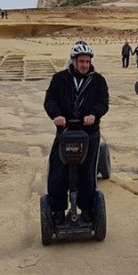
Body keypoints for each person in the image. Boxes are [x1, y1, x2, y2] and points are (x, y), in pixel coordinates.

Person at [44, 42, 109, 224]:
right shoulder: (59, 79)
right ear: (73, 60)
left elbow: (103, 102)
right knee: (58, 172)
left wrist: (94, 114)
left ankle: (87, 209)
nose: (84, 65)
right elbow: (50, 100)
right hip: (65, 133)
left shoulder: (98, 81)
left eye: (87, 62)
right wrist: (56, 115)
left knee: (87, 173)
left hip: (89, 134)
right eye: (81, 61)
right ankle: (57, 210)